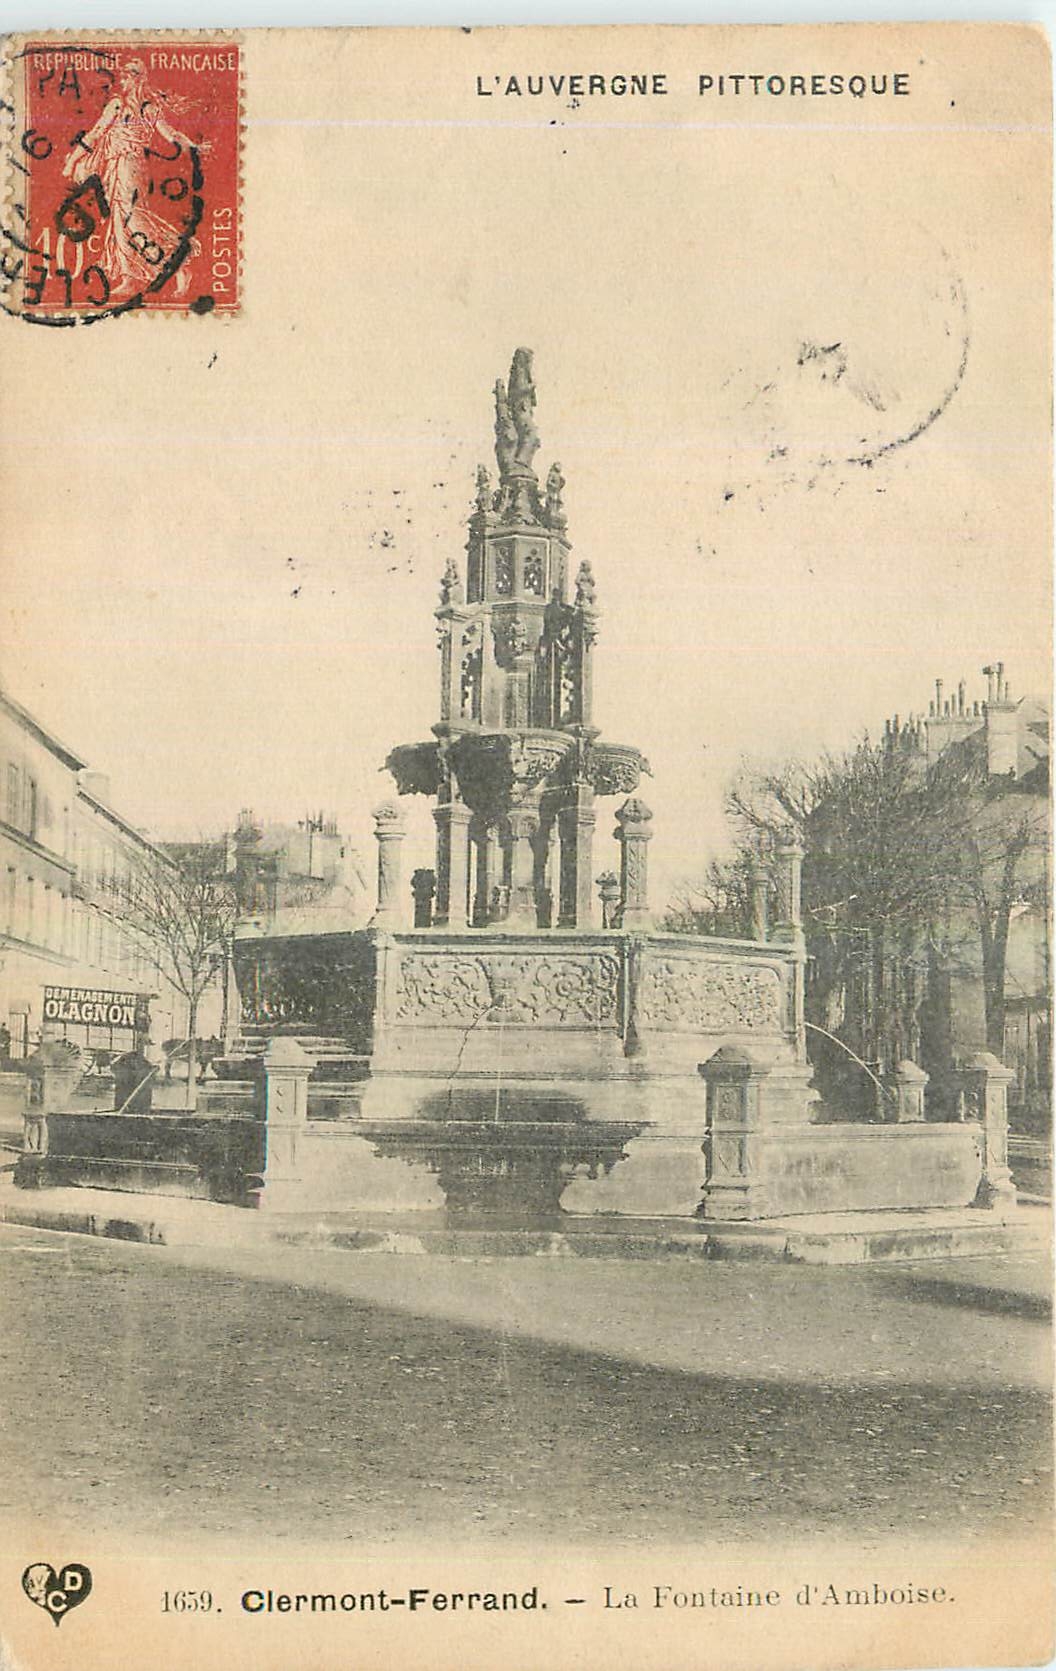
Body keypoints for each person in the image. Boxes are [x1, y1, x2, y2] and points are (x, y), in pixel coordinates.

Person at [61, 57, 207, 299]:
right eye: (123, 76)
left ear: (138, 79)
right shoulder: (117, 105)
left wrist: (193, 146)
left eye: (128, 76)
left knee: (133, 221)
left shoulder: (148, 108)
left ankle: (179, 263)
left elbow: (170, 134)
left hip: (131, 167)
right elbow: (95, 133)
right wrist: (72, 160)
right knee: (119, 222)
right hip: (114, 167)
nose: (123, 81)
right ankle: (130, 277)